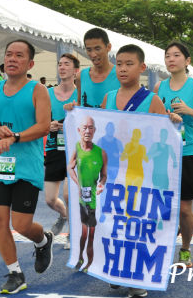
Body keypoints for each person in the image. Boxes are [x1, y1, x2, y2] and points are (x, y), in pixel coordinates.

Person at [0, 39, 53, 295]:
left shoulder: (38, 90)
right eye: (9, 54)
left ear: (30, 64)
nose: (12, 59)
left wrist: (14, 137)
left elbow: (43, 126)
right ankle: (15, 272)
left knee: (22, 225)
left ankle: (43, 240)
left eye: (19, 55)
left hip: (27, 165)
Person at [101, 44, 173, 298]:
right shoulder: (108, 98)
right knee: (114, 222)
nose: (122, 69)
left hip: (141, 174)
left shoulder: (152, 100)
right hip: (113, 173)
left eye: (129, 64)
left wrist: (172, 122)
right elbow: (100, 134)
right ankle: (116, 269)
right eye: (119, 63)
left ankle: (136, 277)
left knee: (137, 222)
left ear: (142, 68)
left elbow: (164, 137)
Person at [154, 41, 193, 269]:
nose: (171, 59)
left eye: (176, 55)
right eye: (168, 55)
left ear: (187, 61)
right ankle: (164, 241)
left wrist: (188, 111)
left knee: (184, 209)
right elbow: (152, 116)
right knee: (162, 205)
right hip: (164, 152)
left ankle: (186, 249)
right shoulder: (159, 87)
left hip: (188, 152)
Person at [45, 54, 79, 247]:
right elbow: (39, 120)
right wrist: (48, 125)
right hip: (53, 148)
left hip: (75, 150)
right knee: (50, 199)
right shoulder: (47, 93)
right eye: (59, 64)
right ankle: (65, 215)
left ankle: (72, 234)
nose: (62, 67)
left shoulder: (80, 94)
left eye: (66, 64)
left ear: (75, 70)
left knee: (68, 194)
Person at [67, 116, 107, 273]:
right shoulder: (77, 148)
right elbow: (70, 167)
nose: (87, 131)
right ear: (79, 130)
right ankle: (81, 258)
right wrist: (78, 183)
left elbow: (104, 175)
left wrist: (101, 184)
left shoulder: (101, 153)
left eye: (90, 128)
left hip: (95, 200)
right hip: (83, 200)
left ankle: (89, 263)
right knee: (84, 233)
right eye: (84, 128)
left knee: (91, 234)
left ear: (95, 130)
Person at [78, 28, 121, 108]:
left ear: (108, 47)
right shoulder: (81, 76)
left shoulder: (121, 74)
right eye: (89, 50)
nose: (93, 54)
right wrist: (71, 107)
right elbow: (79, 103)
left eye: (97, 49)